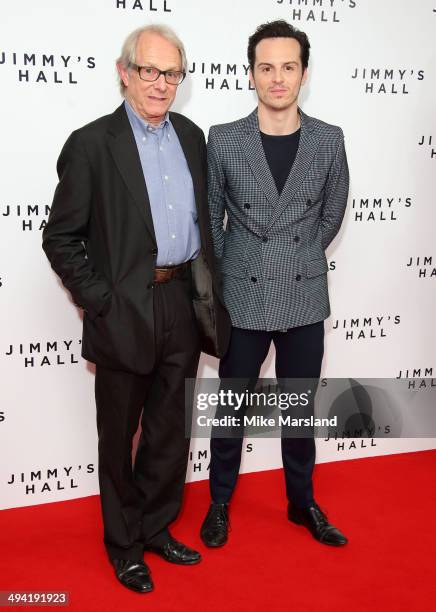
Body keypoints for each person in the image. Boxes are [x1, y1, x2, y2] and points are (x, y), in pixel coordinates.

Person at [42, 24, 230, 594]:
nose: (159, 83)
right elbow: (61, 237)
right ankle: (122, 545)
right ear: (124, 73)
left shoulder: (193, 138)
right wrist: (101, 302)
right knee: (118, 435)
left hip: (181, 301)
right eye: (148, 70)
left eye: (170, 73)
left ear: (180, 79)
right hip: (124, 307)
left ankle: (154, 528)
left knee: (170, 432)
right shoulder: (92, 143)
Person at [200, 20, 349, 549]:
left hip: (304, 293)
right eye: (267, 68)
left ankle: (301, 501)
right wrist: (240, 270)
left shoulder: (329, 140)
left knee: (299, 408)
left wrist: (297, 254)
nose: (277, 78)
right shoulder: (223, 139)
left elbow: (331, 217)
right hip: (243, 295)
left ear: (303, 74)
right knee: (231, 406)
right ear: (251, 75)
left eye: (288, 67)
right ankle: (219, 501)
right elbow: (211, 224)